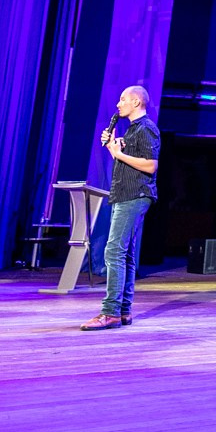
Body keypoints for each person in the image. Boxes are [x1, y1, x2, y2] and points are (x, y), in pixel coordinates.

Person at [81, 85, 159, 331]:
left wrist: (119, 153)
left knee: (113, 251)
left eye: (123, 99)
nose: (118, 104)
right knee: (124, 254)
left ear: (136, 102)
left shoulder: (147, 128)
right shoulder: (134, 130)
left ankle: (110, 312)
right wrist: (114, 146)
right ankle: (123, 311)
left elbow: (150, 166)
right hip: (124, 194)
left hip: (135, 195)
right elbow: (130, 158)